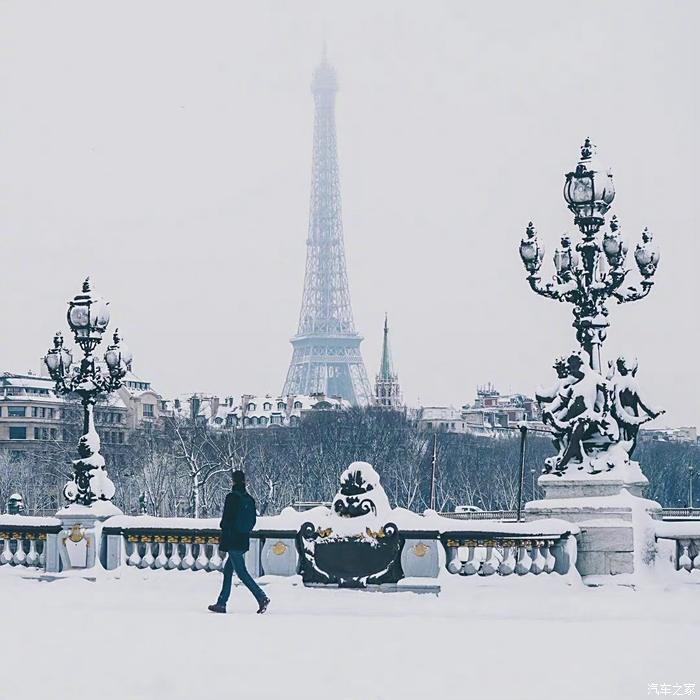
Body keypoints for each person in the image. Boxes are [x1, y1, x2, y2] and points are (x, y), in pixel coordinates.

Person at [208, 471, 270, 614]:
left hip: (232, 540)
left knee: (242, 573)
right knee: (228, 570)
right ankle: (221, 603)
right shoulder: (249, 499)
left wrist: (226, 531)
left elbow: (226, 520)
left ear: (233, 482)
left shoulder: (231, 498)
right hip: (243, 540)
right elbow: (252, 521)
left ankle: (261, 597)